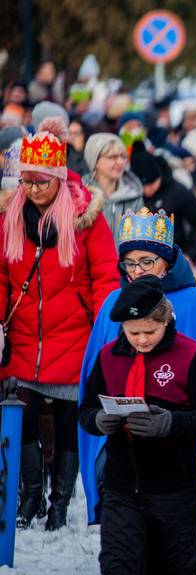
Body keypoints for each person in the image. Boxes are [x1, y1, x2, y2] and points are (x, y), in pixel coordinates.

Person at [78, 207, 196, 532]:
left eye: (147, 262)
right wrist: (101, 419)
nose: (137, 271)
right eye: (130, 263)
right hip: (122, 453)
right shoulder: (114, 303)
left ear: (167, 261)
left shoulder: (194, 303)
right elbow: (94, 380)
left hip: (177, 451)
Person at [0, 119, 119, 530]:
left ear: (59, 177)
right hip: (24, 337)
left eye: (42, 182)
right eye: (27, 181)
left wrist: (104, 330)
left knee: (68, 423)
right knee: (23, 419)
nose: (33, 190)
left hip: (74, 335)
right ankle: (31, 493)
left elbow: (105, 277)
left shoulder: (87, 219)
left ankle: (60, 503)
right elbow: (2, 275)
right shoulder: (10, 217)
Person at [79, 276, 196, 574]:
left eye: (150, 331)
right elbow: (86, 409)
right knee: (118, 566)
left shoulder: (192, 356)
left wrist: (171, 422)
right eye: (133, 332)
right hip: (120, 488)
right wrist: (98, 420)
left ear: (166, 320)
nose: (142, 340)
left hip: (175, 490)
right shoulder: (108, 356)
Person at [131, 142, 196, 263]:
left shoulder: (177, 191)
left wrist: (191, 253)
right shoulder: (134, 195)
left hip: (175, 258)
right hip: (143, 260)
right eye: (142, 186)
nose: (147, 190)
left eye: (151, 184)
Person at [83, 132, 144, 246]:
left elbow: (139, 239)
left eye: (123, 156)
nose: (120, 162)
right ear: (95, 162)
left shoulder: (133, 194)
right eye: (112, 157)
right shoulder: (81, 194)